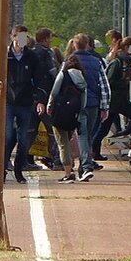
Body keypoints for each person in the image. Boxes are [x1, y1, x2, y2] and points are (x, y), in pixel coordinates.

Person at [0, 25, 48, 183]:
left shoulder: (32, 57)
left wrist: (40, 100)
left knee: (24, 138)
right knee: (8, 135)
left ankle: (19, 170)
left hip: (25, 102)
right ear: (13, 38)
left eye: (25, 37)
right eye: (20, 37)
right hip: (7, 102)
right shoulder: (4, 55)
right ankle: (3, 168)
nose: (22, 40)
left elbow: (40, 80)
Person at [71, 32, 110, 175]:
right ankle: (86, 164)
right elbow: (104, 86)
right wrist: (105, 107)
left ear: (75, 44)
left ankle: (86, 165)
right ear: (88, 45)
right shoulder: (96, 61)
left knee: (82, 134)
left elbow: (61, 82)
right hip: (93, 104)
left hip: (76, 104)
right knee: (87, 134)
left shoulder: (70, 61)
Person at [47, 54, 88, 183]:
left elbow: (54, 92)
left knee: (62, 143)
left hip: (60, 112)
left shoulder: (63, 74)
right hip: (73, 114)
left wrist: (49, 106)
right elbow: (84, 99)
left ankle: (68, 173)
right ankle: (72, 168)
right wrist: (80, 112)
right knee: (69, 140)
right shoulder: (82, 78)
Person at [103, 35, 131, 153]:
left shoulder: (122, 60)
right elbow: (110, 81)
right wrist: (125, 78)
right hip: (117, 100)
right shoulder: (119, 61)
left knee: (104, 128)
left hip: (118, 100)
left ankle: (93, 151)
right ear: (126, 47)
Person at [31, 28, 61, 170]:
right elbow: (53, 73)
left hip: (31, 96)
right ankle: (56, 159)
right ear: (44, 39)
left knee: (30, 130)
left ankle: (25, 160)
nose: (51, 41)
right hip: (46, 95)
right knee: (53, 129)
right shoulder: (47, 53)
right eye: (50, 38)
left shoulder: (30, 52)